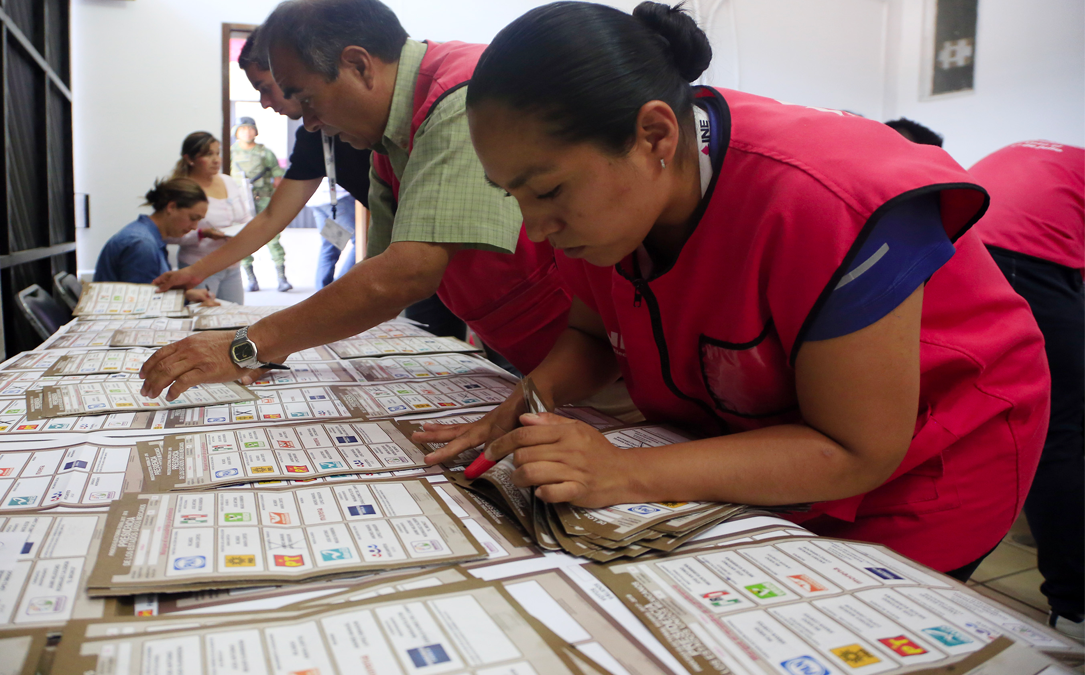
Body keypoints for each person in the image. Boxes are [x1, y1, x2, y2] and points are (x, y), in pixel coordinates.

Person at [423, 1, 1050, 579]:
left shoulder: (820, 199)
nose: (535, 228)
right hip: (752, 439)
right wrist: (535, 395)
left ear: (655, 137)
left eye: (550, 191)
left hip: (924, 462)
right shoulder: (611, 215)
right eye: (513, 196)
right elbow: (592, 333)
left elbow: (854, 449)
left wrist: (623, 472)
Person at [142, 0, 572, 399]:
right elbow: (380, 271)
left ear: (358, 65)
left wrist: (248, 344)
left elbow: (404, 276)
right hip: (523, 344)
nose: (308, 122)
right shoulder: (386, 140)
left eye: (307, 98)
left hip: (576, 344)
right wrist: (277, 342)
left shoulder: (460, 95)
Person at [153, 28, 370, 297]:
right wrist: (195, 271)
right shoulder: (313, 137)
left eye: (265, 87)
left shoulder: (372, 117)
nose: (264, 103)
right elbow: (270, 217)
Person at [970, 141, 1084, 637]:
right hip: (1025, 262)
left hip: (949, 245)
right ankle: (1076, 605)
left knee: (961, 412)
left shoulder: (1053, 159)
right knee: (1058, 431)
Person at [93, 178, 217, 305]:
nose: (195, 227)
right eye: (193, 218)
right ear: (171, 207)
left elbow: (150, 292)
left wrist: (187, 295)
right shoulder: (142, 244)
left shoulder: (145, 235)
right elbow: (144, 304)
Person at [168, 131, 254, 303]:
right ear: (189, 159)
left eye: (217, 153)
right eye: (208, 154)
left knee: (234, 317)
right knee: (202, 318)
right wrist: (201, 234)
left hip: (232, 264)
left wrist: (245, 231)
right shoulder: (182, 189)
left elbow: (245, 217)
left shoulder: (228, 181)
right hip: (200, 266)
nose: (216, 159)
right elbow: (169, 234)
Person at [230, 116, 291, 292]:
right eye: (242, 129)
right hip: (240, 204)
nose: (247, 132)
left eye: (250, 128)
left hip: (263, 200)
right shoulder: (230, 153)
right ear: (236, 132)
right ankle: (251, 279)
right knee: (242, 239)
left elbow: (278, 178)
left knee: (272, 238)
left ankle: (282, 278)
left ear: (255, 131)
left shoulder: (265, 153)